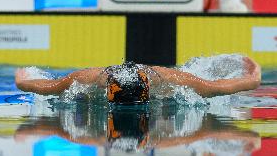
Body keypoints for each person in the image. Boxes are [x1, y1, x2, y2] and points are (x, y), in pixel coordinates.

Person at [15, 56, 261, 101]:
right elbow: (50, 86)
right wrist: (22, 82)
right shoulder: (89, 80)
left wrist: (252, 80)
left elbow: (214, 87)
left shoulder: (168, 81)